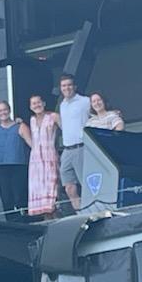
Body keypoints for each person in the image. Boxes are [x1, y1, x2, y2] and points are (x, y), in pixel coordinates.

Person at [21, 94, 59, 219]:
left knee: (51, 187)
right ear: (30, 107)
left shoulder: (52, 117)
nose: (37, 105)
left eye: (38, 102)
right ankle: (47, 220)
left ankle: (55, 218)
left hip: (49, 156)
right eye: (34, 103)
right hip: (36, 160)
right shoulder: (32, 120)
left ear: (44, 103)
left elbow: (66, 128)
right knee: (39, 189)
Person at [58, 73, 91, 211]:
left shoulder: (85, 101)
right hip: (67, 150)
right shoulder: (62, 105)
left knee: (86, 184)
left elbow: (98, 112)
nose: (67, 88)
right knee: (69, 186)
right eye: (64, 86)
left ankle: (93, 210)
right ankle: (80, 212)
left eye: (69, 85)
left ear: (74, 86)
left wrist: (113, 113)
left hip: (80, 147)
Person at [0, 101, 30, 217]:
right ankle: (11, 222)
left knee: (20, 196)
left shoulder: (20, 126)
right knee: (6, 197)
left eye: (5, 109)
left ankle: (24, 220)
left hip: (18, 165)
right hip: (1, 167)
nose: (3, 112)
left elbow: (32, 144)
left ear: (9, 110)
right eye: (0, 111)